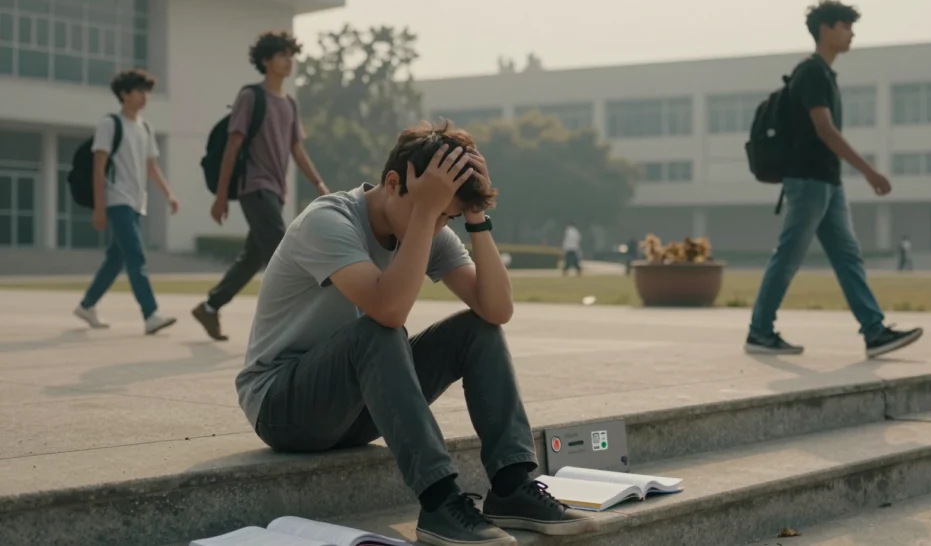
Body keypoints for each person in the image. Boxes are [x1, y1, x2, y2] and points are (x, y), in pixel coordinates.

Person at [236, 120, 598, 546]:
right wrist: (427, 211)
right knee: (378, 331)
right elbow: (388, 311)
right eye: (435, 208)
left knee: (477, 330)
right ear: (394, 182)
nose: (442, 222)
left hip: (354, 410)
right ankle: (440, 502)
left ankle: (511, 487)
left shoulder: (427, 223)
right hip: (283, 407)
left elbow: (497, 309)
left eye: (450, 214)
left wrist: (475, 216)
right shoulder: (328, 221)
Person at [745, 0, 923, 359]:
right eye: (845, 26)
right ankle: (759, 332)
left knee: (847, 257)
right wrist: (869, 171)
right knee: (789, 257)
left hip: (827, 182)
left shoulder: (825, 75)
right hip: (809, 181)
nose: (851, 33)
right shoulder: (811, 73)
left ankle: (874, 332)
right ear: (825, 29)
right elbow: (825, 130)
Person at [193, 30, 330, 341]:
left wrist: (318, 183)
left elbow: (297, 150)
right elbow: (233, 146)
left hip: (276, 190)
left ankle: (210, 306)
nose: (288, 61)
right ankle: (298, 325)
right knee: (285, 252)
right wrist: (221, 196)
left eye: (291, 55)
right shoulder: (250, 97)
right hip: (254, 187)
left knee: (253, 257)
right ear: (266, 60)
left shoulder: (290, 105)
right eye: (282, 55)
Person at [73, 68, 179, 335]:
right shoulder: (110, 124)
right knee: (135, 255)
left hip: (135, 203)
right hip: (116, 200)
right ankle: (150, 313)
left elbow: (151, 167)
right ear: (124, 94)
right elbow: (99, 167)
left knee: (116, 259)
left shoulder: (145, 127)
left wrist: (169, 195)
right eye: (139, 91)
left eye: (146, 92)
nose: (144, 97)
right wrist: (99, 207)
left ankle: (87, 305)